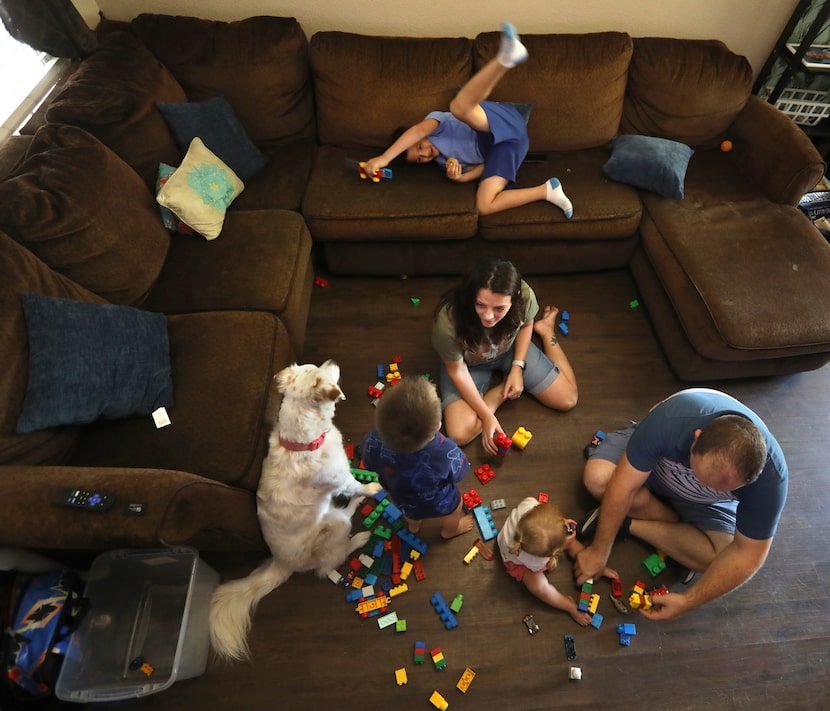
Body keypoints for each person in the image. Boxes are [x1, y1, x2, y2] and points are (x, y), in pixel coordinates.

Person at [574, 388, 788, 621]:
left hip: (706, 507)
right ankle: (675, 530)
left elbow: (748, 556)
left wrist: (688, 601)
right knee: (597, 478)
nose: (703, 485)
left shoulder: (771, 479)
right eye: (701, 474)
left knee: (722, 561)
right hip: (654, 470)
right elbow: (623, 486)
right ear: (697, 438)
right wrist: (598, 552)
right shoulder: (673, 418)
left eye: (721, 487)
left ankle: (627, 523)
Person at [362, 22, 573, 218]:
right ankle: (546, 190)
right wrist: (459, 177)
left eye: (419, 147)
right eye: (420, 159)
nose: (425, 154)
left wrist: (384, 158)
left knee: (458, 108)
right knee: (483, 205)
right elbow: (482, 167)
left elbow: (418, 130)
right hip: (508, 148)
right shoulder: (443, 162)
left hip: (502, 122)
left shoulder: (434, 123)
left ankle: (504, 59)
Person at [432, 256, 578, 455]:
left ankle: (546, 331)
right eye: (481, 305)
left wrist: (518, 367)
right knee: (459, 434)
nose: (488, 316)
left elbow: (526, 325)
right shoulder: (448, 322)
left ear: (514, 300)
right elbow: (457, 370)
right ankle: (504, 388)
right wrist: (488, 416)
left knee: (567, 399)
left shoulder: (525, 295)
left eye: (499, 308)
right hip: (469, 365)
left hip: (510, 351)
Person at [361, 376, 474, 539]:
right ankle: (450, 531)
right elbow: (459, 474)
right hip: (439, 499)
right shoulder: (445, 450)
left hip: (402, 496)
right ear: (438, 425)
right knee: (455, 508)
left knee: (411, 513)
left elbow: (369, 463)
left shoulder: (373, 439)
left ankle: (414, 525)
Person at [497, 496, 618, 625]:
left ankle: (593, 564)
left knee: (566, 539)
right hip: (516, 560)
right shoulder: (537, 560)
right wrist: (564, 544)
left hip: (528, 539)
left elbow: (543, 519)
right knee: (539, 587)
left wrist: (561, 524)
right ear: (551, 553)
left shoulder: (530, 504)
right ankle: (569, 606)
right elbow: (547, 564)